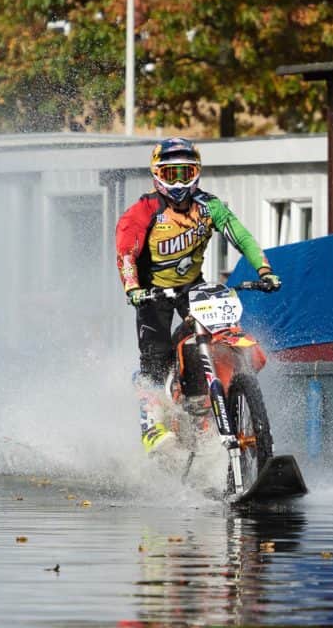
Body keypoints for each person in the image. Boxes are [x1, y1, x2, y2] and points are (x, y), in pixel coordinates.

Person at [115, 137, 281, 453]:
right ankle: (151, 423)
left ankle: (210, 401)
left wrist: (264, 269)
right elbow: (126, 253)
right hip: (153, 293)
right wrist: (133, 288)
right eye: (170, 173)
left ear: (197, 172)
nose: (178, 181)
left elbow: (241, 237)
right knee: (156, 356)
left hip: (193, 287)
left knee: (222, 336)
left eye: (185, 172)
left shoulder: (210, 206)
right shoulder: (143, 211)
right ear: (156, 175)